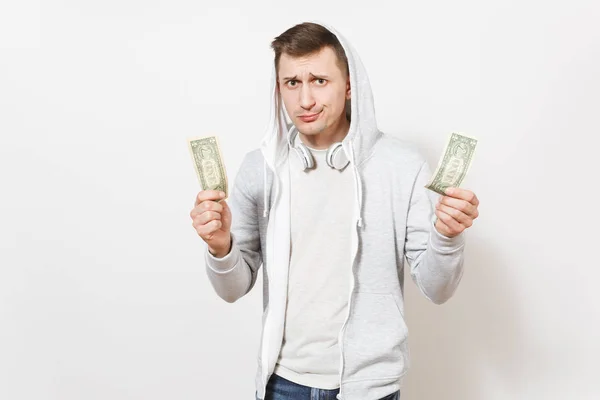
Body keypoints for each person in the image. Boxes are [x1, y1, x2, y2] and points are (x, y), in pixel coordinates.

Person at [190, 21, 480, 400]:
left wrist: (447, 236)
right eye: (292, 83)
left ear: (348, 86)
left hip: (369, 387)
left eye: (319, 81)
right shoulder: (259, 168)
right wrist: (219, 246)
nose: (305, 100)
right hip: (282, 382)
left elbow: (437, 288)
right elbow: (233, 289)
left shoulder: (401, 166)